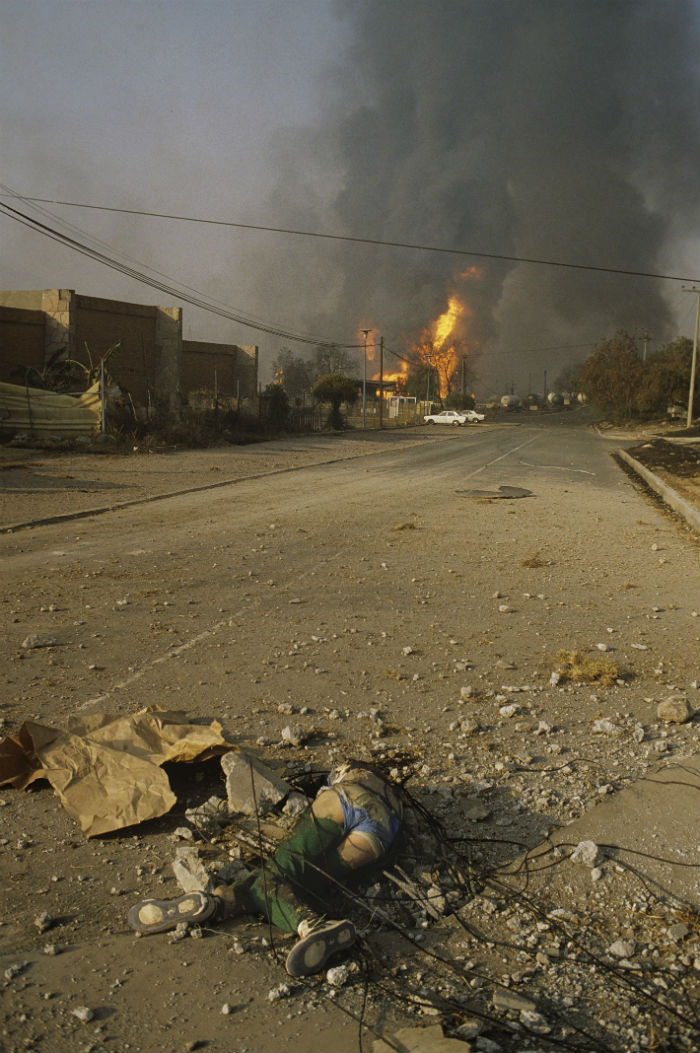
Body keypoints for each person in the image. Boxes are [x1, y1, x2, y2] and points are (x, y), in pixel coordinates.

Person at [127, 762, 403, 977]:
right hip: (382, 830)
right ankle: (225, 902)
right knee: (309, 879)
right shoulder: (394, 795)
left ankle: (228, 904)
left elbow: (316, 790)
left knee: (282, 870)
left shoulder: (346, 773)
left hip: (345, 799)